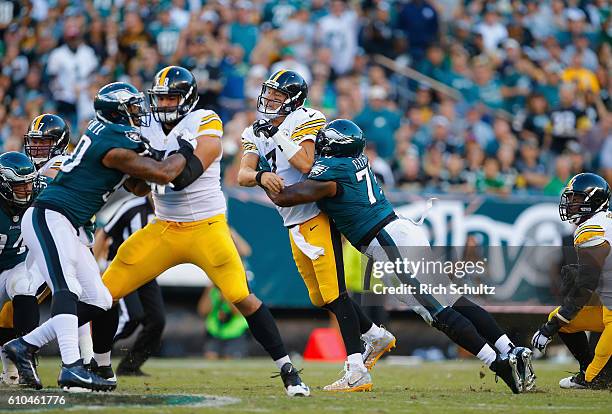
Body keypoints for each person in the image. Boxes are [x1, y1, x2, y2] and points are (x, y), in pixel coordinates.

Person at [268, 119, 535, 394]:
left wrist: (265, 171)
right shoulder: (356, 161)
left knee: (437, 313)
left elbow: (286, 197)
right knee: (452, 298)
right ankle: (510, 348)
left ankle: (498, 363)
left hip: (387, 243)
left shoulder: (332, 172)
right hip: (401, 231)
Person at [96, 66, 310, 397]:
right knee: (102, 294)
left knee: (242, 297)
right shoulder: (146, 125)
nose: (164, 104)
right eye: (161, 98)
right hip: (164, 227)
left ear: (187, 99)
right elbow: (138, 186)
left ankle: (288, 371)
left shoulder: (204, 119)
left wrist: (150, 164)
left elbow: (181, 177)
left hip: (206, 227)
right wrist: (142, 170)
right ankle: (96, 366)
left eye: (171, 98)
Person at [3, 81, 196, 392]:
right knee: (67, 289)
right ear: (118, 112)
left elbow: (138, 186)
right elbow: (162, 173)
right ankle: (71, 367)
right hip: (51, 215)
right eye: (132, 107)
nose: (139, 112)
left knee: (101, 300)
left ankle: (24, 345)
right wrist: (186, 148)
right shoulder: (113, 139)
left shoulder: (110, 136)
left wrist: (151, 165)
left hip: (69, 222)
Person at [238, 70, 394, 392]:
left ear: (293, 99)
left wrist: (278, 135)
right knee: (321, 297)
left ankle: (356, 368)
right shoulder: (257, 130)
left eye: (277, 95)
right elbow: (242, 173)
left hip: (315, 215)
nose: (269, 100)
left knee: (335, 293)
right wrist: (259, 177)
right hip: (291, 220)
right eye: (268, 93)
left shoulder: (305, 119)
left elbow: (307, 164)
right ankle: (375, 335)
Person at [531, 173, 612, 389]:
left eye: (576, 199)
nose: (570, 204)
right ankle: (588, 369)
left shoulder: (591, 230)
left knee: (596, 380)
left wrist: (551, 326)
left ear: (593, 201)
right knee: (564, 323)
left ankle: (593, 377)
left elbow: (585, 286)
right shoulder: (602, 223)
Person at [93, 195, 163, 376]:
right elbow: (104, 232)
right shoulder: (131, 206)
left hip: (147, 273)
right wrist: (94, 268)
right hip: (123, 270)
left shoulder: (171, 210)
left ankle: (129, 366)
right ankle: (89, 354)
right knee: (131, 317)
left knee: (157, 320)